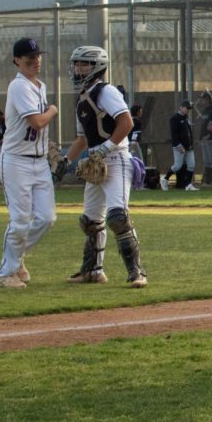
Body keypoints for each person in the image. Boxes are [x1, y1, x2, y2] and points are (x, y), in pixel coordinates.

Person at [60, 45, 148, 287]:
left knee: (118, 216)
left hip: (116, 158)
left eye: (83, 64)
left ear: (96, 67)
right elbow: (82, 140)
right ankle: (92, 271)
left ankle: (137, 272)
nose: (77, 69)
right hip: (95, 161)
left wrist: (106, 147)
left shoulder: (105, 91)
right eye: (76, 64)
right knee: (90, 221)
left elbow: (126, 122)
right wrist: (65, 161)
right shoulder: (82, 99)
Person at [0, 38, 59, 288]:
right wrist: (53, 110)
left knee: (46, 217)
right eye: (28, 57)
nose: (35, 60)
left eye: (38, 55)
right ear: (16, 61)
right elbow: (37, 122)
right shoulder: (18, 86)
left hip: (39, 161)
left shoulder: (39, 85)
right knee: (20, 220)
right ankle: (6, 273)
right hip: (17, 162)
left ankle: (16, 258)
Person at [164, 100, 198, 191]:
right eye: (187, 108)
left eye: (188, 109)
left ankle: (188, 185)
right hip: (179, 146)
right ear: (181, 107)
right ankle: (165, 179)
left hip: (189, 146)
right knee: (177, 166)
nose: (188, 110)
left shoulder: (186, 118)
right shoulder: (174, 118)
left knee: (191, 164)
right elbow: (174, 134)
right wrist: (179, 146)